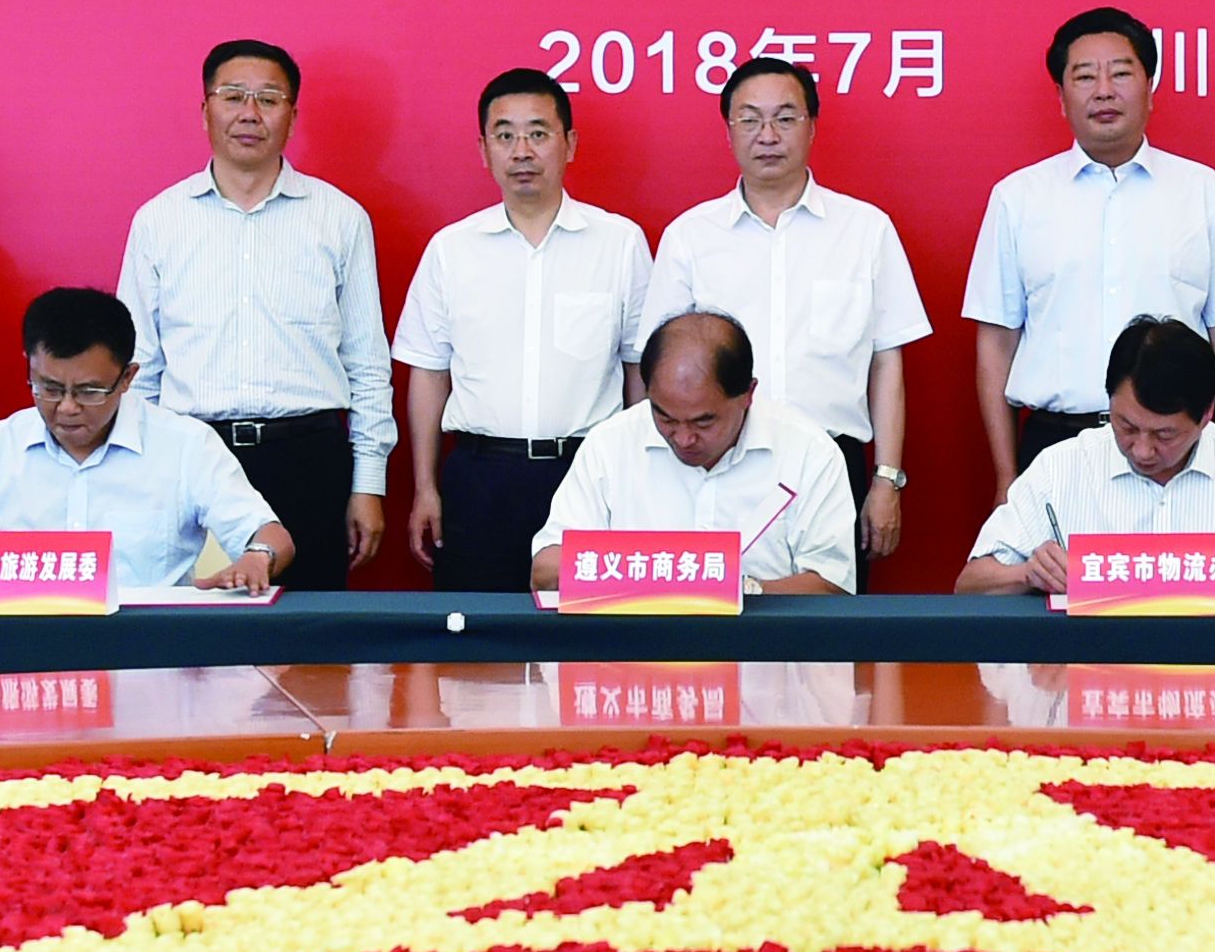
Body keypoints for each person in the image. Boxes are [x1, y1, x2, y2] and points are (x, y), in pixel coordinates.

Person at [116, 38, 392, 591]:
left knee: (310, 634)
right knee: (196, 631)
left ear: (292, 116)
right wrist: (139, 474)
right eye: (233, 96)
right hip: (192, 457)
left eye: (268, 99)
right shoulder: (159, 221)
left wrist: (368, 483)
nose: (249, 113)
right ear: (205, 110)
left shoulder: (340, 218)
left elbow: (367, 363)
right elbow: (139, 367)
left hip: (308, 458)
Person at [645, 55, 930, 576]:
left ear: (812, 126)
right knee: (705, 612)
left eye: (785, 118)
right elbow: (659, 369)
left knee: (828, 617)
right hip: (715, 466)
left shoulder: (865, 229)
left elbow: (887, 363)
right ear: (728, 131)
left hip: (831, 462)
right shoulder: (690, 236)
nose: (768, 135)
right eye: (750, 120)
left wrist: (886, 479)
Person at [964, 6, 1215, 481]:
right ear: (1061, 97)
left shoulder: (1204, 192)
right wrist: (1007, 476)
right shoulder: (1017, 198)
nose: (1104, 91)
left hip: (1177, 446)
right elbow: (997, 341)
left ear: (1150, 88)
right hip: (1056, 446)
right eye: (1085, 76)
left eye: (1121, 73)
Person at [395, 68, 653, 591]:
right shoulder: (452, 249)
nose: (522, 151)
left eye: (538, 133)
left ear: (569, 144)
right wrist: (425, 487)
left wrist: (641, 482)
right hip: (479, 477)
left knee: (586, 630)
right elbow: (429, 374)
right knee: (475, 635)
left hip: (586, 474)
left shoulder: (619, 243)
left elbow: (640, 373)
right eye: (505, 135)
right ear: (483, 149)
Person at [0, 288, 289, 593]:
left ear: (128, 377)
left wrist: (258, 557)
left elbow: (270, 535)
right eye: (49, 388)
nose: (67, 407)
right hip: (26, 640)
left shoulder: (185, 445)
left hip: (149, 644)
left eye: (89, 391)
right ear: (29, 366)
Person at [958, 317, 1215, 593]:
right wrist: (1027, 574)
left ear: (1207, 413)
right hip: (1088, 667)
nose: (1143, 450)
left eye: (1165, 434)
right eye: (1127, 426)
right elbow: (970, 585)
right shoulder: (1059, 469)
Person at [530, 311, 855, 596]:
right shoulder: (610, 444)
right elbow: (546, 572)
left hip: (761, 645)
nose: (684, 439)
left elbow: (832, 586)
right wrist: (668, 578)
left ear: (748, 394)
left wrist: (738, 591)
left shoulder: (809, 452)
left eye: (703, 422)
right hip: (634, 645)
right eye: (665, 418)